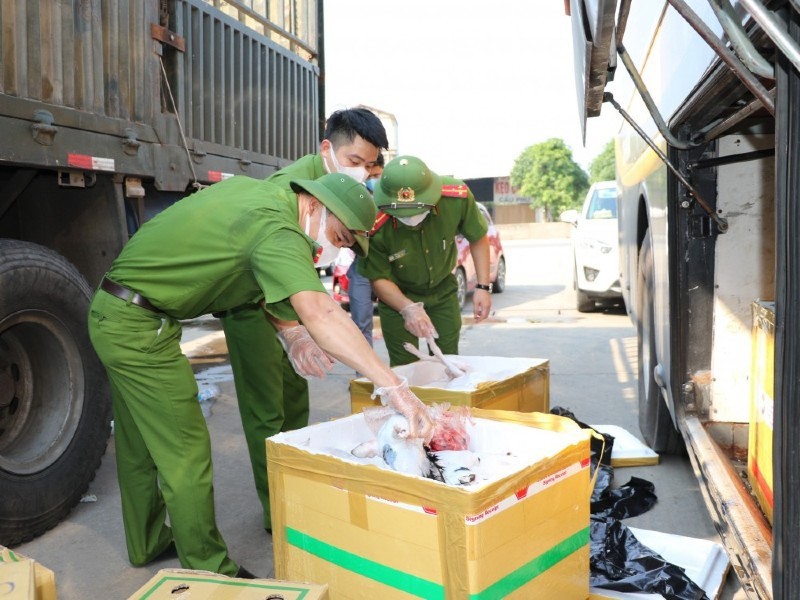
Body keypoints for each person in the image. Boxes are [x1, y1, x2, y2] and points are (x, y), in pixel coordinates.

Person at [87, 173, 433, 577]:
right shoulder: (278, 229)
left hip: (119, 312)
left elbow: (250, 278)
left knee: (139, 443)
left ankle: (147, 542)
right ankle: (210, 568)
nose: (333, 251)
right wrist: (394, 387)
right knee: (185, 450)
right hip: (139, 329)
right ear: (315, 205)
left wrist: (292, 334)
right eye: (339, 237)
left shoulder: (263, 196)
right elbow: (321, 312)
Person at [216, 107, 389, 533]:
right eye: (353, 163)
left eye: (369, 166)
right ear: (326, 149)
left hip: (293, 296)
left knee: (295, 399)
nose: (361, 175)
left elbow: (312, 268)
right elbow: (271, 270)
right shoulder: (289, 189)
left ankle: (299, 490)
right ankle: (280, 514)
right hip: (255, 303)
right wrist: (294, 330)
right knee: (265, 410)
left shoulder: (344, 188)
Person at [359, 155, 493, 366]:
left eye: (418, 210)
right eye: (403, 213)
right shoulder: (371, 222)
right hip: (397, 297)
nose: (412, 219)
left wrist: (483, 287)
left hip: (442, 291)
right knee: (405, 366)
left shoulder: (455, 197)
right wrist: (407, 308)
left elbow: (477, 236)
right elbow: (378, 277)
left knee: (449, 362)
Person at [346, 152, 385, 346]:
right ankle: (363, 375)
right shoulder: (355, 196)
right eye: (369, 177)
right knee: (361, 323)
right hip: (362, 267)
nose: (372, 180)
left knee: (400, 320)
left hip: (387, 269)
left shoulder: (393, 200)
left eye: (377, 176)